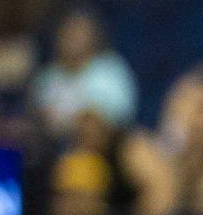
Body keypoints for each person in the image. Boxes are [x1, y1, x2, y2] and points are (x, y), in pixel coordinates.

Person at [31, 9, 138, 137]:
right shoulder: (48, 75)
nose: (72, 36)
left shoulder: (109, 69)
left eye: (78, 31)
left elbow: (118, 120)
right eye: (68, 30)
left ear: (94, 36)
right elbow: (39, 118)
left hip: (103, 147)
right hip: (53, 144)